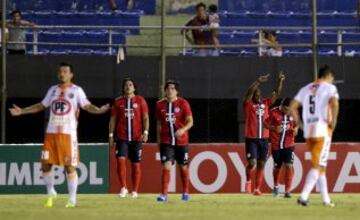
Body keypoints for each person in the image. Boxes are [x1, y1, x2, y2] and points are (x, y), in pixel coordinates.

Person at [9, 62, 110, 208]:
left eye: (65, 71)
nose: (62, 74)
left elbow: (87, 106)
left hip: (68, 136)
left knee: (69, 167)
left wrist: (99, 110)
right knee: (45, 164)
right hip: (50, 134)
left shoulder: (76, 91)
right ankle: (51, 193)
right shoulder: (52, 90)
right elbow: (41, 105)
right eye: (60, 71)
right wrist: (22, 111)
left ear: (71, 74)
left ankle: (72, 200)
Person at [289, 65, 339, 207]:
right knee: (318, 166)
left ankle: (326, 199)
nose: (332, 81)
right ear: (329, 76)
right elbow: (334, 103)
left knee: (321, 166)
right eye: (332, 79)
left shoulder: (306, 88)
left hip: (308, 133)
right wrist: (334, 121)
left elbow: (292, 107)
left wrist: (299, 122)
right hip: (323, 131)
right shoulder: (330, 88)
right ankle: (303, 197)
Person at [243, 72, 285, 195]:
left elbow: (276, 93)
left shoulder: (266, 103)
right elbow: (248, 93)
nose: (257, 96)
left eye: (258, 94)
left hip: (264, 139)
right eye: (255, 94)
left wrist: (280, 81)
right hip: (251, 139)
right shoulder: (248, 105)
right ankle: (248, 181)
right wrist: (258, 81)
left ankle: (257, 189)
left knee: (261, 163)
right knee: (252, 163)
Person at [109, 78, 149, 198]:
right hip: (122, 137)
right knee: (120, 160)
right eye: (126, 85)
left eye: (130, 85)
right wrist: (111, 135)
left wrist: (146, 132)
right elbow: (113, 120)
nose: (128, 86)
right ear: (123, 87)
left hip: (137, 138)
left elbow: (146, 118)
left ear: (134, 88)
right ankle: (123, 187)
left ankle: (135, 190)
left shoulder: (140, 100)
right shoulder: (118, 102)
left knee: (135, 165)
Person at [156, 80, 193, 202]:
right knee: (166, 166)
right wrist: (158, 140)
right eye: (167, 88)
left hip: (181, 141)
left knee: (183, 167)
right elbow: (159, 124)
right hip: (166, 142)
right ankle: (164, 194)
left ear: (177, 91)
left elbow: (190, 122)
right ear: (164, 90)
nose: (170, 90)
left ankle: (186, 191)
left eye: (172, 88)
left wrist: (183, 130)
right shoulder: (159, 105)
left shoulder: (183, 103)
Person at [264, 97, 298, 198]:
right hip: (276, 146)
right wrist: (274, 128)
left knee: (289, 165)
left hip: (289, 144)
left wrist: (296, 129)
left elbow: (296, 125)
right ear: (282, 106)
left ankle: (287, 191)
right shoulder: (273, 112)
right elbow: (265, 124)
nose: (288, 112)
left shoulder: (294, 112)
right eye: (286, 109)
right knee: (277, 167)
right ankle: (276, 186)